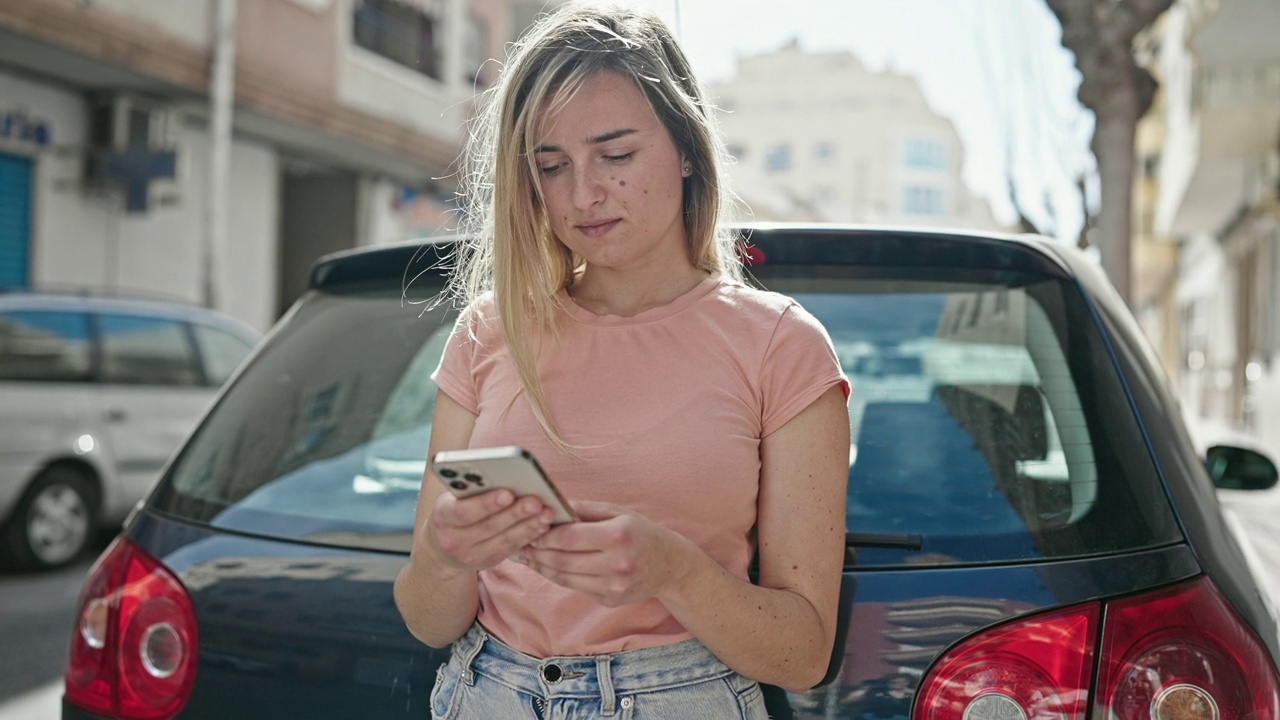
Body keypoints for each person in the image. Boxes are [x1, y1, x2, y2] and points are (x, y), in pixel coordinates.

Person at [393, 3, 851, 718]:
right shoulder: (489, 331)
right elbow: (427, 618)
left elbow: (804, 653)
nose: (582, 195)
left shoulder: (782, 347)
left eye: (615, 155)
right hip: (487, 694)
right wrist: (447, 558)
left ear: (687, 148)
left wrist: (674, 571)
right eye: (552, 165)